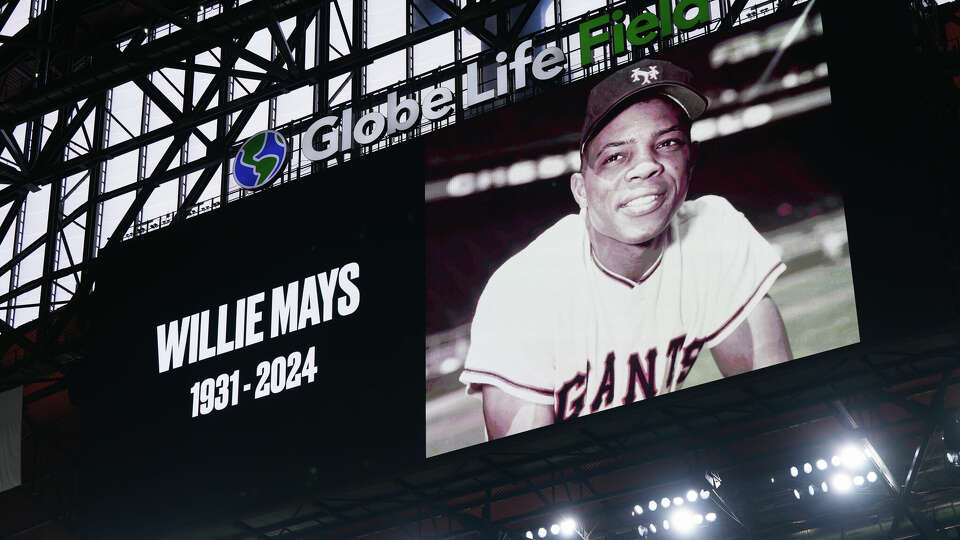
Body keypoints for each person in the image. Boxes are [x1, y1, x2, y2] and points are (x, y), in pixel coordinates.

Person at [459, 59, 792, 440]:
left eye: (667, 143)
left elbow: (776, 402)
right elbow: (519, 478)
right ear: (581, 190)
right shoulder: (524, 290)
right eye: (616, 156)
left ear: (691, 160)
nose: (647, 166)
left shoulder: (712, 230)